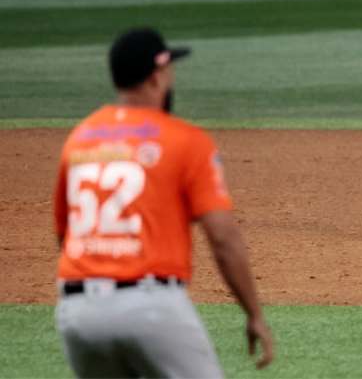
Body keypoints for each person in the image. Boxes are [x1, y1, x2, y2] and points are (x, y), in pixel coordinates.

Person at [53, 28, 274, 377]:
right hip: (150, 307)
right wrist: (255, 314)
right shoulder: (185, 140)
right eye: (169, 70)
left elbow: (65, 238)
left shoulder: (79, 139)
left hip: (78, 313)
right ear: (156, 77)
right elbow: (223, 239)